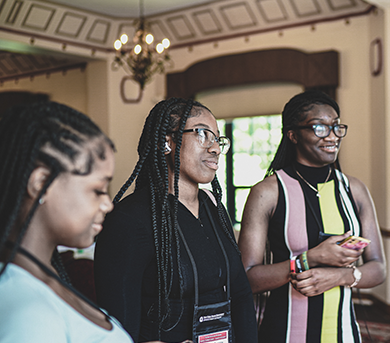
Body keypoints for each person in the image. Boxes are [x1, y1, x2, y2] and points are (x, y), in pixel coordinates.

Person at [94, 98, 257, 342]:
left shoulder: (213, 208)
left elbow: (241, 294)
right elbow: (119, 325)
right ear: (166, 142)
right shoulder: (130, 218)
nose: (214, 148)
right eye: (203, 134)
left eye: (218, 139)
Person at [238, 90, 386, 343]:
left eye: (336, 126)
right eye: (319, 127)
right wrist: (309, 259)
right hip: (284, 333)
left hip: (344, 334)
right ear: (293, 135)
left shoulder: (355, 190)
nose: (332, 136)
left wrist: (340, 276)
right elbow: (246, 279)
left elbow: (378, 269)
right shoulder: (267, 192)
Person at [0, 102, 133, 342]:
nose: (108, 204)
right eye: (98, 190)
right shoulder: (28, 314)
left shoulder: (43, 275)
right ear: (41, 184)